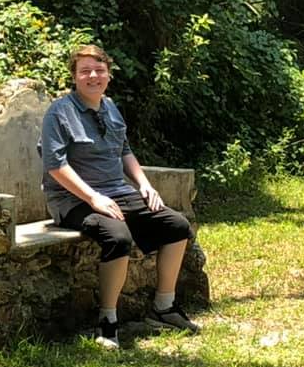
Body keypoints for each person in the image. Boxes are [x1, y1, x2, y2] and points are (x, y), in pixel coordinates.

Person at [39, 44, 199, 350]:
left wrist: (145, 185)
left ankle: (163, 308)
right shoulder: (59, 113)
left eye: (99, 70)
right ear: (74, 76)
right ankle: (107, 321)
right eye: (85, 71)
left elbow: (124, 151)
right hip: (74, 200)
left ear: (109, 75)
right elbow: (56, 166)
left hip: (117, 193)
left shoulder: (110, 107)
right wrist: (93, 198)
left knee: (177, 226)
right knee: (118, 236)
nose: (93, 76)